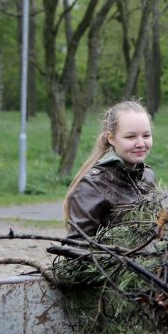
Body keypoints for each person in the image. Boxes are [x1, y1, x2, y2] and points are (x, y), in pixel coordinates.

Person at [63, 100, 158, 239]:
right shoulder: (93, 185)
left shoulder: (147, 176)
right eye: (130, 136)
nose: (141, 143)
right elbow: (77, 246)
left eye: (146, 135)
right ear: (111, 138)